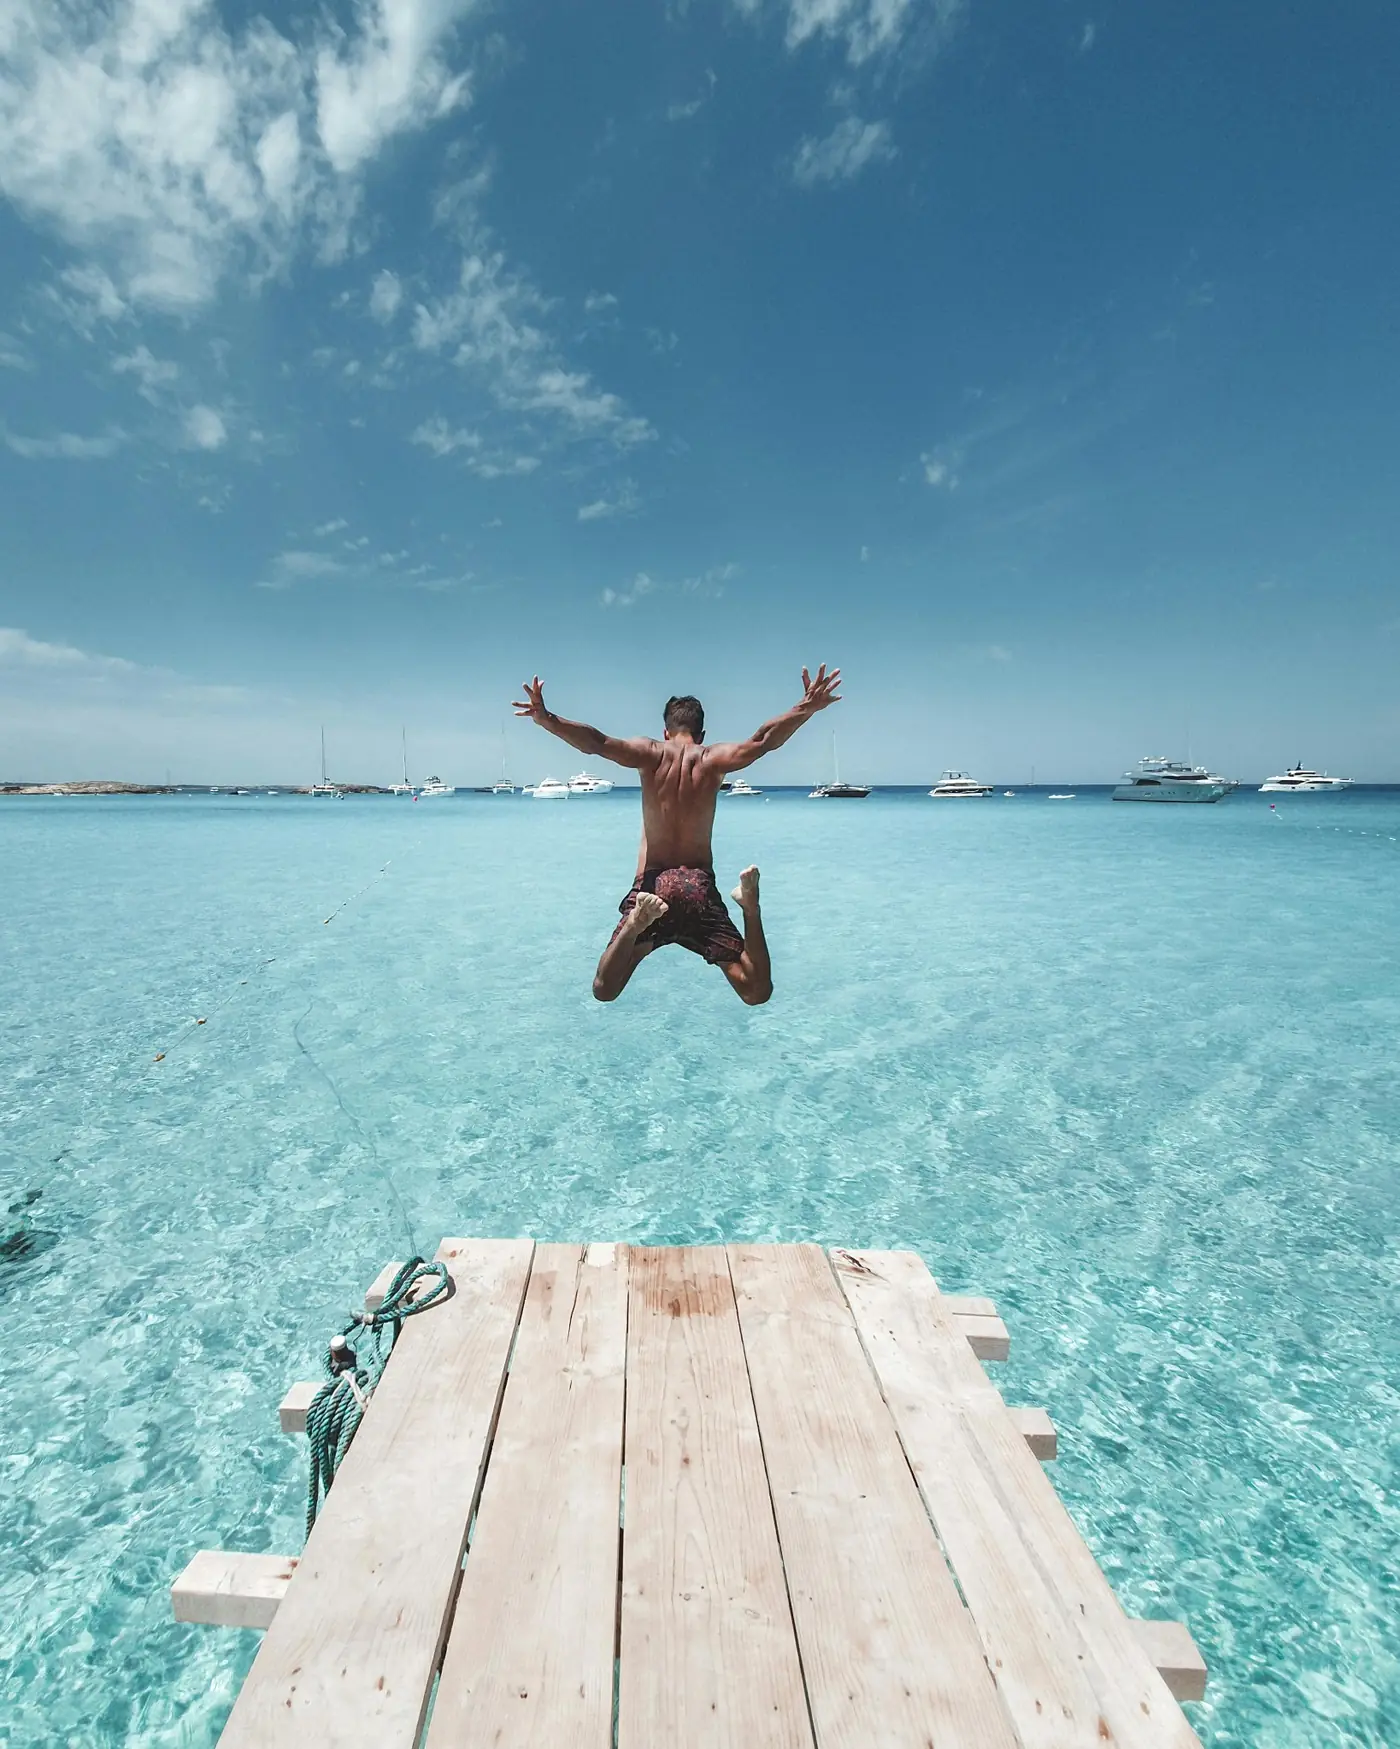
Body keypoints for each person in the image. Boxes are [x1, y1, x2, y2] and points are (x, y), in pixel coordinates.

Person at [512, 666, 842, 1004]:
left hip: (652, 889)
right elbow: (762, 741)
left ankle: (634, 924)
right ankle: (750, 907)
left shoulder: (650, 753)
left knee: (604, 988)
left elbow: (596, 743)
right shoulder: (712, 758)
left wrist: (547, 718)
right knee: (756, 990)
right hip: (697, 886)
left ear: (666, 732)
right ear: (701, 734)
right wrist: (806, 707)